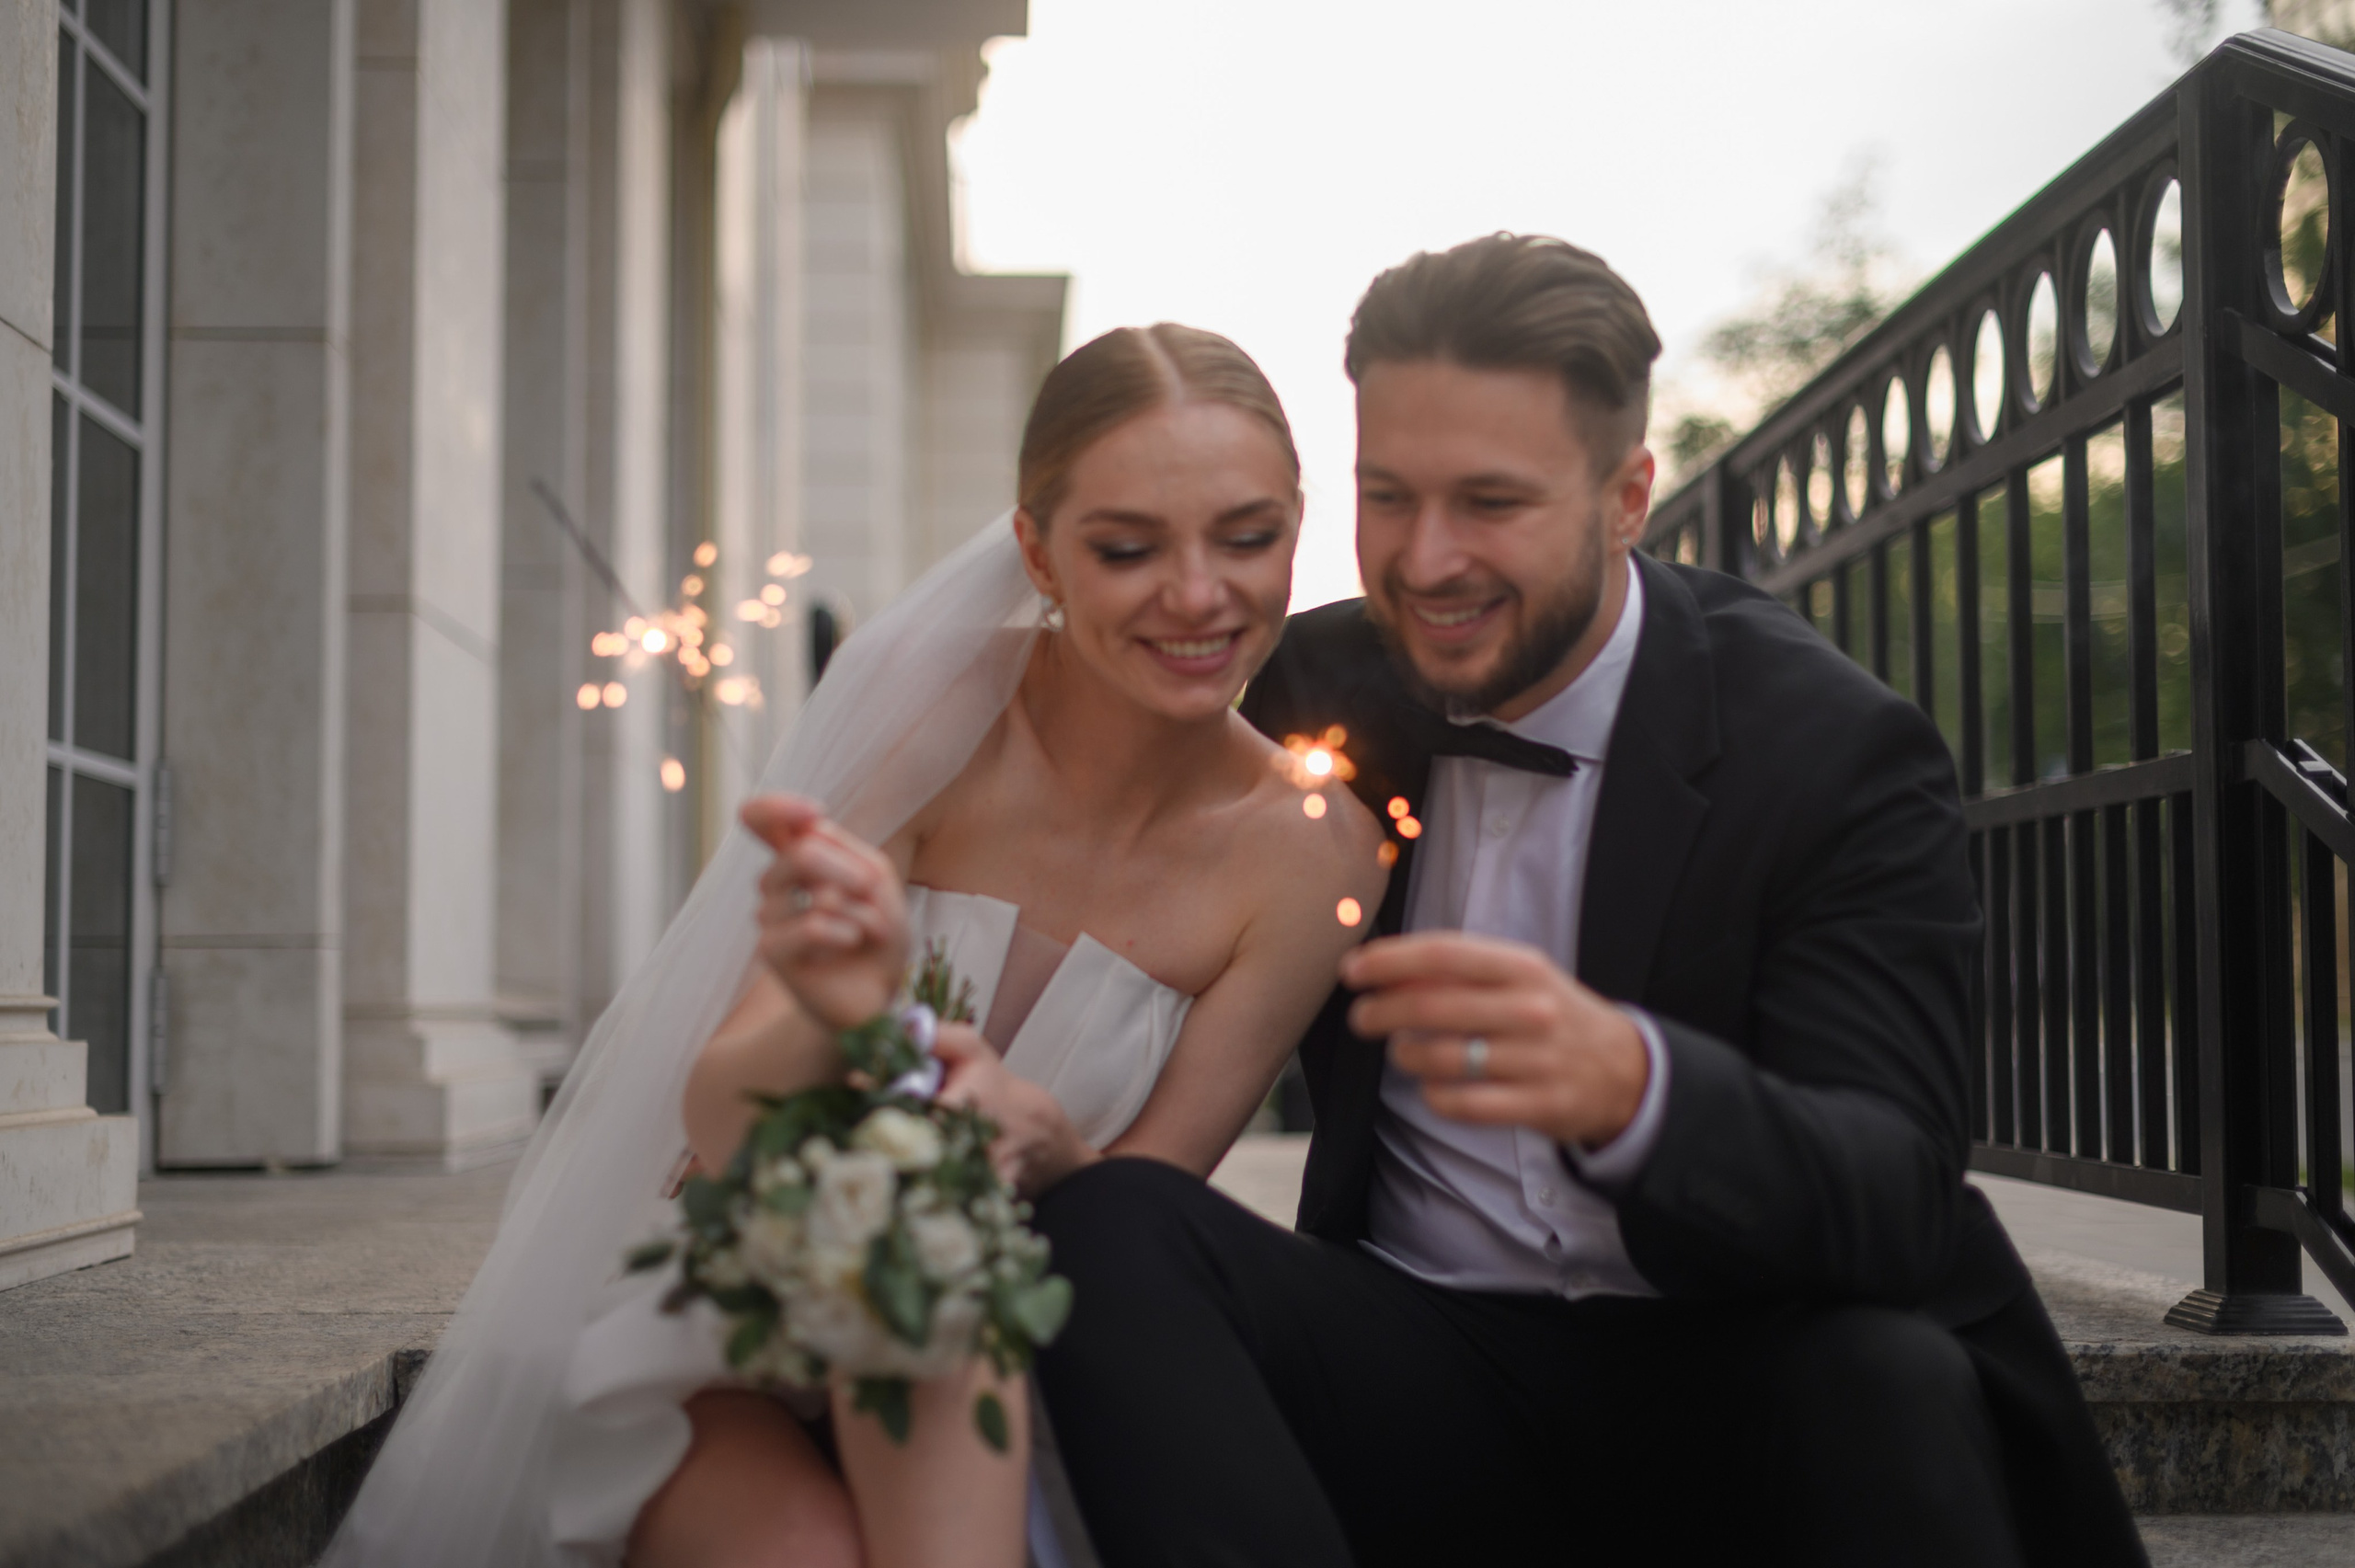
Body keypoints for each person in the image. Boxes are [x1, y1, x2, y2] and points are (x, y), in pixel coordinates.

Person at [1028, 235, 2147, 1568]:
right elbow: (1072, 724)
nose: (1426, 561)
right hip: (1416, 1358)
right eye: (1390, 498)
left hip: (1736, 1375)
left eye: (1490, 503)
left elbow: (1896, 1190)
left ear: (1627, 499)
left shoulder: (1829, 751)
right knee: (1111, 1226)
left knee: (1887, 1379)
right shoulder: (1308, 685)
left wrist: (1636, 1088)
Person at [318, 324, 1381, 1568]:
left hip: (1013, 1369)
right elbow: (719, 1115)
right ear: (1038, 550)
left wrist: (1054, 1149)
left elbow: (1143, 1241)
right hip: (733, 1334)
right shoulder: (936, 701)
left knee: (932, 1290)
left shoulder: (1316, 854)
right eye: (1128, 547)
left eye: (1246, 538)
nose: (1198, 595)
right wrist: (836, 1014)